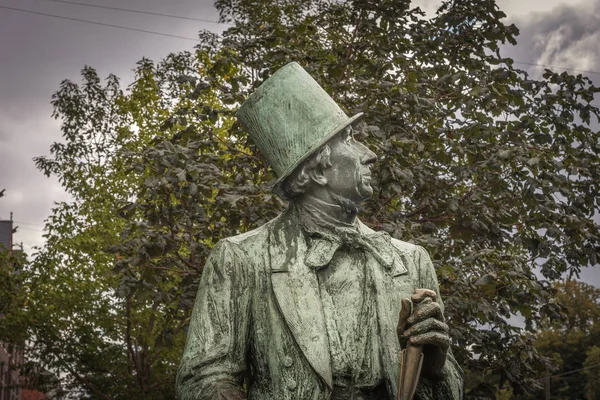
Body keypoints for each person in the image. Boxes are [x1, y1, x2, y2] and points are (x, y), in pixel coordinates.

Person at [176, 62, 464, 399]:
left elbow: (452, 388)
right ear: (317, 170)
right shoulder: (241, 258)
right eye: (350, 140)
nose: (369, 154)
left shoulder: (411, 260)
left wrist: (437, 365)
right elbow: (203, 380)